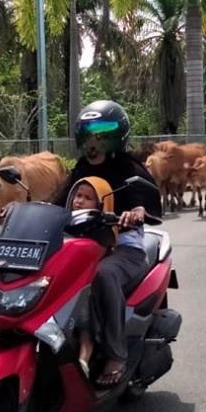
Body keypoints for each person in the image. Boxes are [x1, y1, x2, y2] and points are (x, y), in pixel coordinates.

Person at [52, 100, 162, 387]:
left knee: (103, 275)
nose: (94, 141)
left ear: (117, 135)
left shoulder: (129, 167)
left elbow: (144, 199)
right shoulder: (80, 169)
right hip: (84, 245)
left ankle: (116, 354)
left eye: (102, 133)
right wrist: (22, 208)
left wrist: (137, 212)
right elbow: (57, 202)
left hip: (124, 248)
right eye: (88, 133)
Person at [65, 177, 116, 379]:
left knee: (83, 306)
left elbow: (93, 259)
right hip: (61, 278)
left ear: (100, 204)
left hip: (83, 282)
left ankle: (85, 356)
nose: (80, 201)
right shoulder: (64, 222)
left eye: (88, 198)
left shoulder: (103, 231)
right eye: (78, 195)